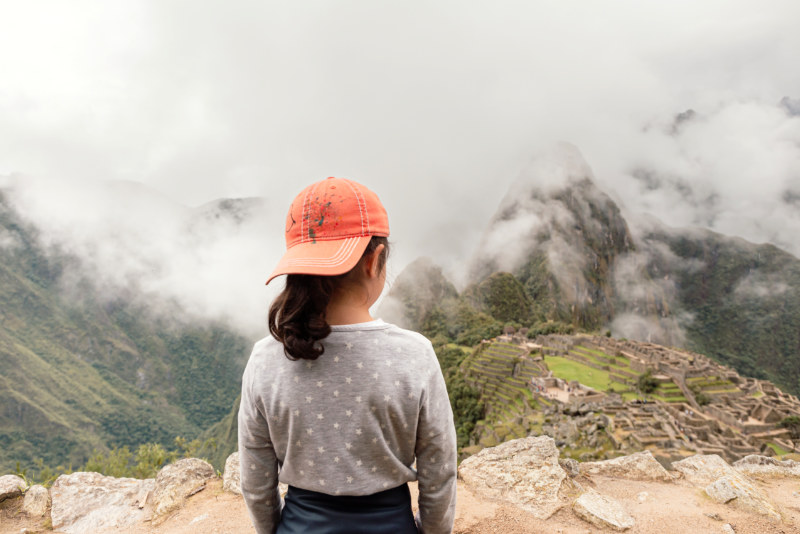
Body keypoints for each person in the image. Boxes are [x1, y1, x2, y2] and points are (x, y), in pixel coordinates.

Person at [238, 177, 457, 534]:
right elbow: (440, 472)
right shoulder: (415, 356)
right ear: (377, 261)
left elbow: (256, 483)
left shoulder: (264, 360)